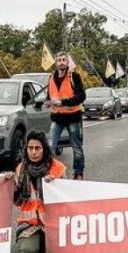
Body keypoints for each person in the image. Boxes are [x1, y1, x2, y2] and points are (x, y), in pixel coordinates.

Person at [4, 130, 66, 253]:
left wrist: (56, 184)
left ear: (44, 149)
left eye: (38, 148)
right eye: (30, 148)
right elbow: (18, 202)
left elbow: (66, 200)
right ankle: (41, 243)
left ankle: (47, 243)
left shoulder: (57, 168)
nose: (33, 152)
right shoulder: (21, 168)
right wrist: (10, 184)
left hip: (54, 223)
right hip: (30, 224)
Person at [44, 51, 86, 180]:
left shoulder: (74, 76)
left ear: (67, 62)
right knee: (50, 146)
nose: (61, 62)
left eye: (64, 60)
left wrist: (62, 102)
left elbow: (81, 97)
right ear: (55, 63)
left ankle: (78, 173)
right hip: (57, 117)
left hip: (73, 116)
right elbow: (50, 95)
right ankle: (49, 172)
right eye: (59, 60)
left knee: (76, 147)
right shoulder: (51, 77)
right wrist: (47, 101)